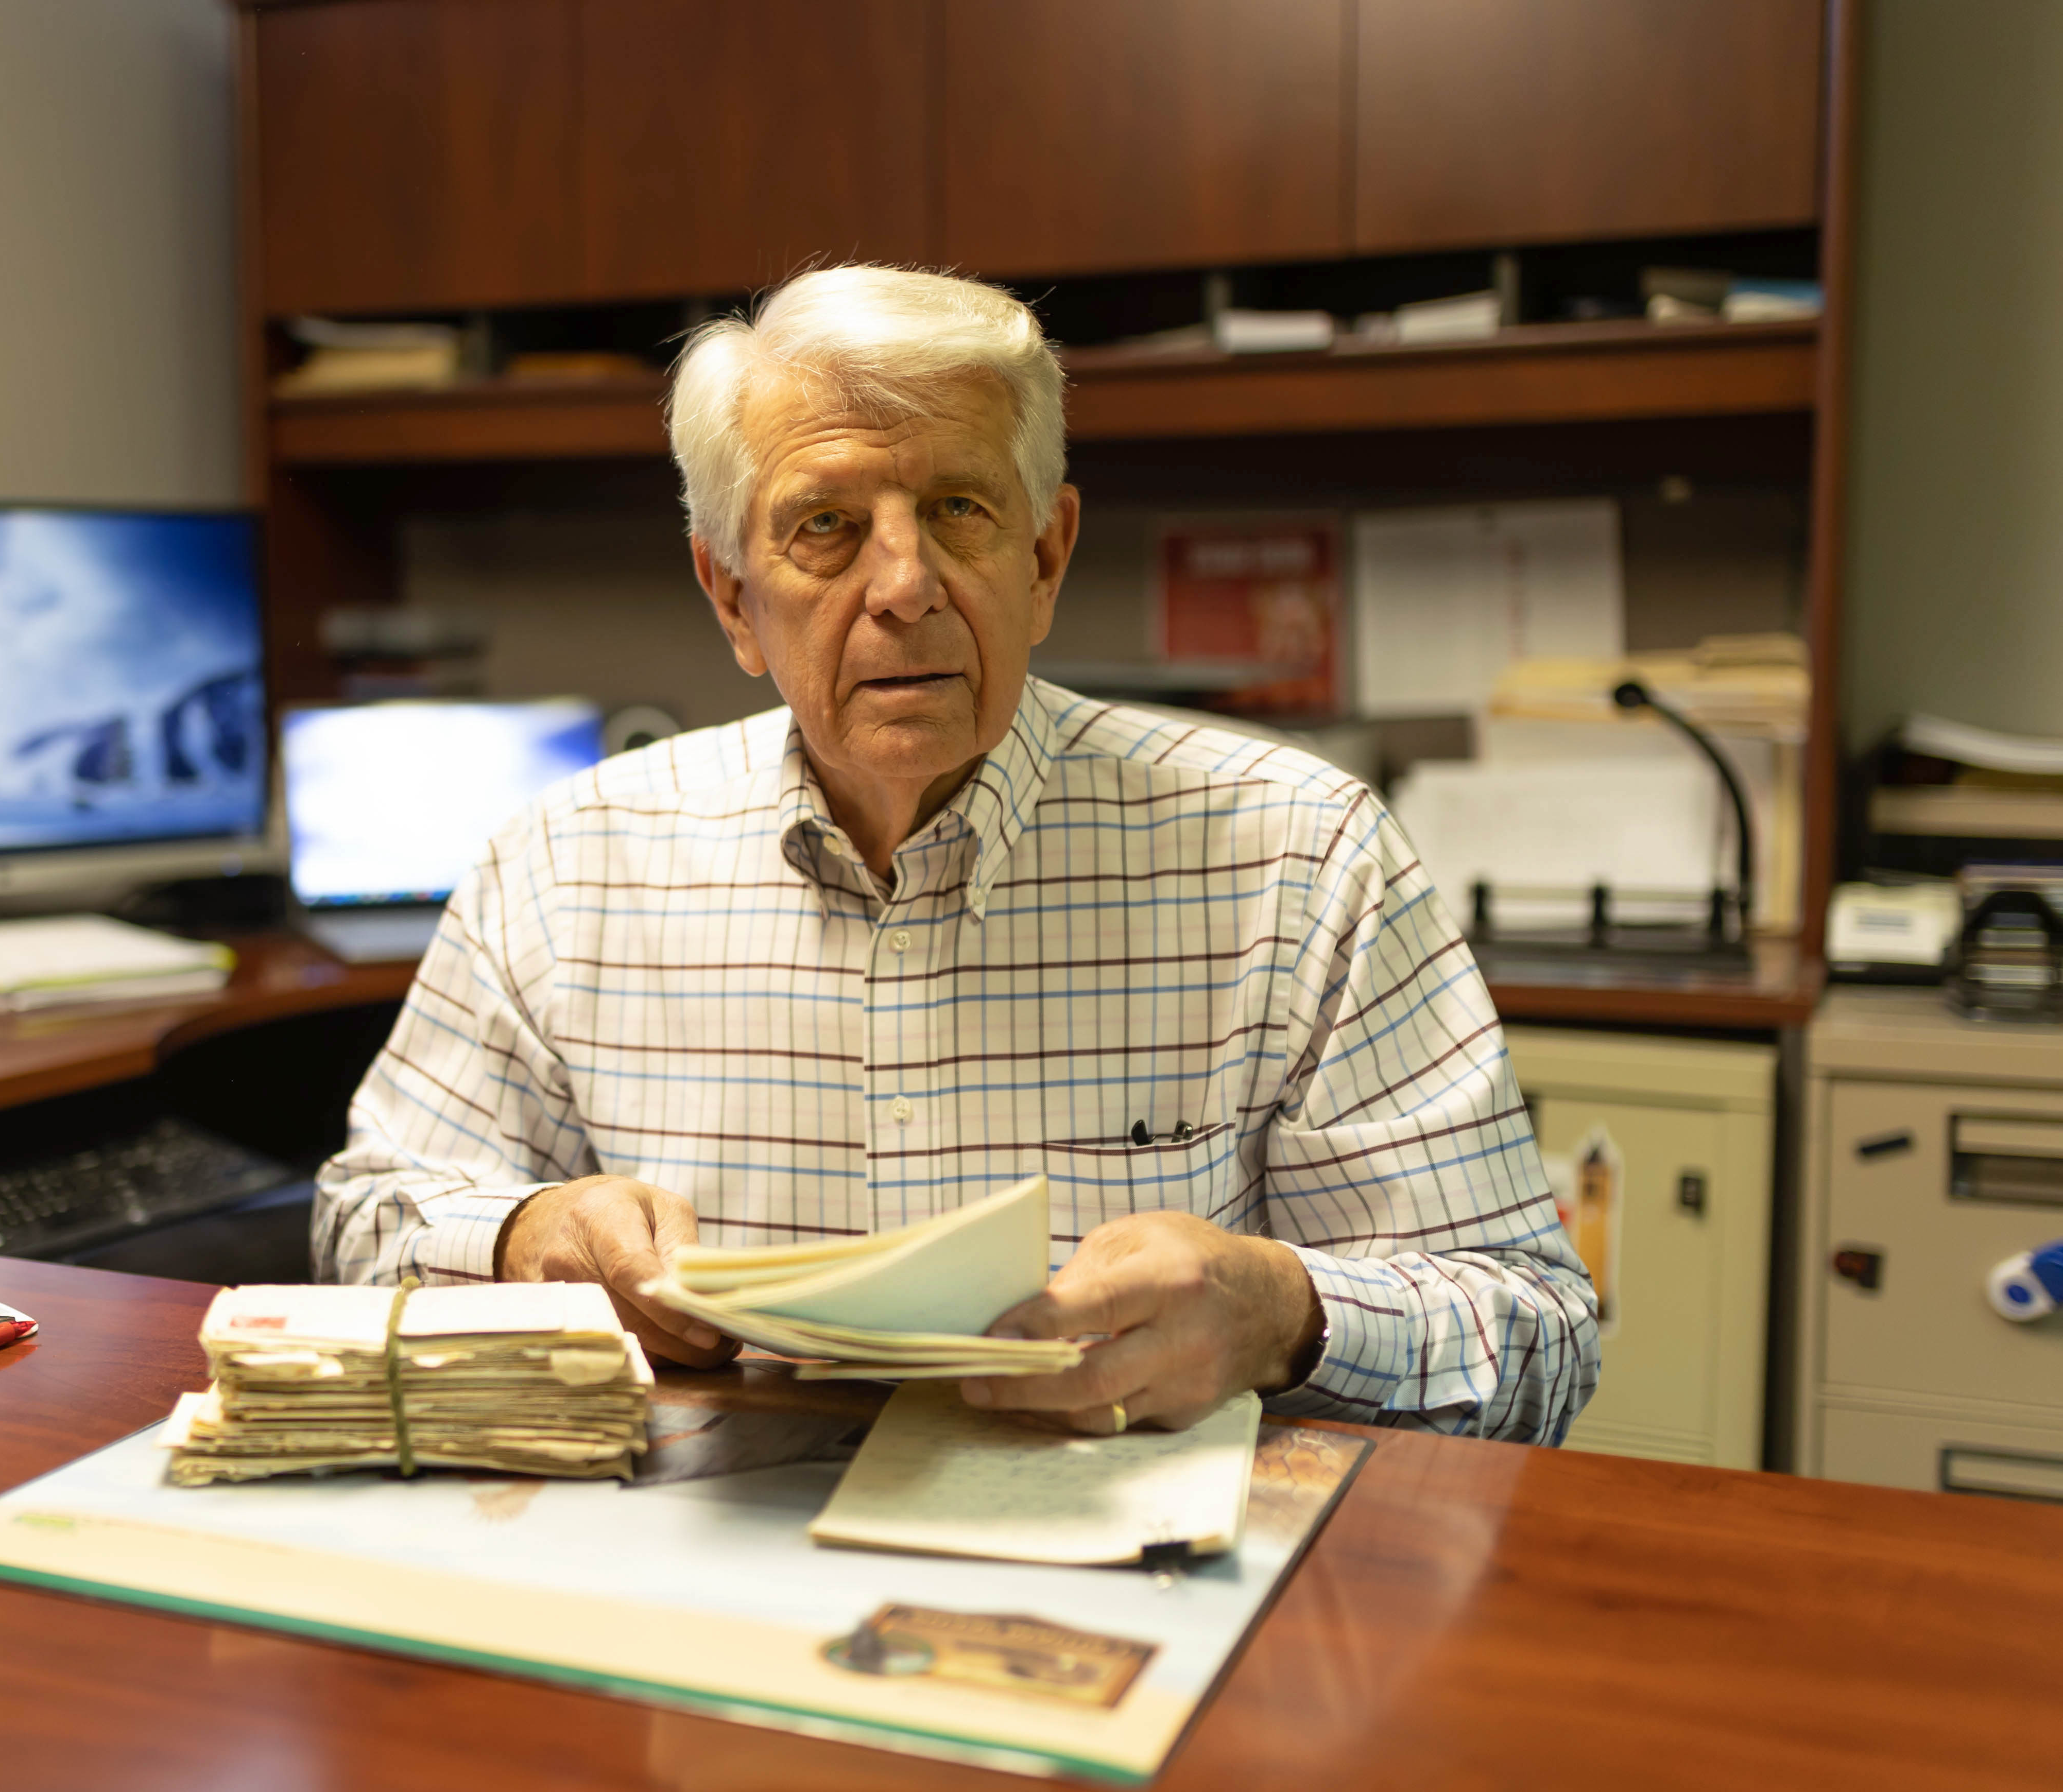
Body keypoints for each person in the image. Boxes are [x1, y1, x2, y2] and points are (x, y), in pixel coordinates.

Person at [314, 266, 1598, 1444]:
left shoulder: (1299, 855)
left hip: (1139, 1584)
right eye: (823, 525)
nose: (906, 583)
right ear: (729, 597)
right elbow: (367, 1214)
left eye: (959, 509)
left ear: (1045, 559)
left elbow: (1536, 1334)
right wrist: (523, 1235)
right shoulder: (564, 862)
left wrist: (1283, 1314)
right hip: (706, 1570)